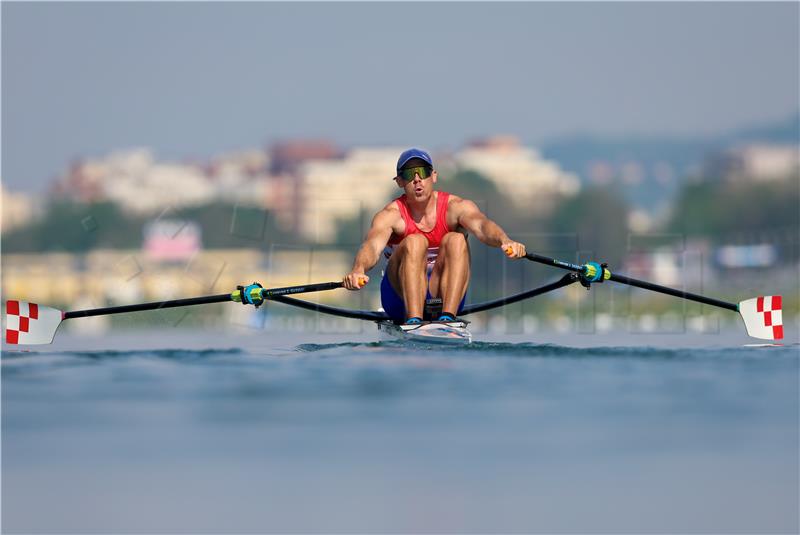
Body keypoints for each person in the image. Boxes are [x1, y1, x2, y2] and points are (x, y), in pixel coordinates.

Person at [342, 148, 527, 324]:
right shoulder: (390, 215)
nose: (417, 180)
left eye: (422, 172)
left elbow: (482, 226)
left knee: (456, 239)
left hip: (444, 294)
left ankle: (447, 317)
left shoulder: (456, 206)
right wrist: (358, 269)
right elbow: (371, 247)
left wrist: (505, 240)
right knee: (415, 241)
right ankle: (414, 318)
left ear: (434, 176)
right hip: (399, 299)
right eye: (408, 174)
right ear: (399, 181)